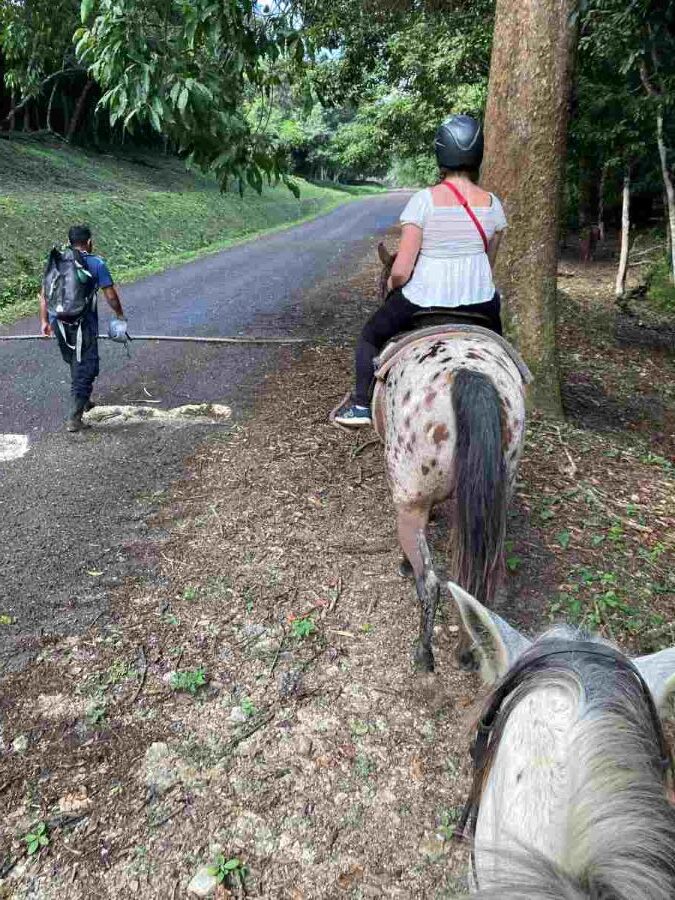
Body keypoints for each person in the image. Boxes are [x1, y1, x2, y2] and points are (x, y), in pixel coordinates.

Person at [333, 114, 507, 427]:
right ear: (477, 154)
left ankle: (360, 406)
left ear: (442, 153)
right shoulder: (494, 205)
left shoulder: (423, 201)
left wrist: (393, 281)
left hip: (425, 299)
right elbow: (488, 262)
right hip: (481, 302)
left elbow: (401, 271)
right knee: (501, 353)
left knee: (370, 335)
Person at [39, 225, 126, 432]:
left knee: (74, 361)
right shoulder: (96, 263)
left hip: (58, 321)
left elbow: (43, 295)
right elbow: (111, 296)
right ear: (89, 242)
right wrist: (120, 314)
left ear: (69, 241)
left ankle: (84, 400)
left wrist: (44, 321)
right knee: (88, 366)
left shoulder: (57, 262)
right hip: (82, 325)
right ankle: (74, 417)